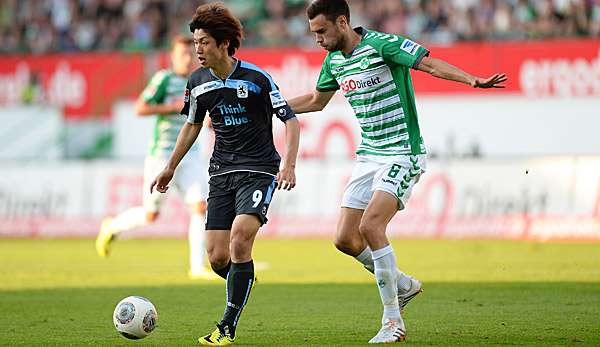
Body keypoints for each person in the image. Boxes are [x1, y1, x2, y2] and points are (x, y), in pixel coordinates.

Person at [287, 0, 507, 343]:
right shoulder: (334, 61)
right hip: (369, 155)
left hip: (403, 152)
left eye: (321, 31)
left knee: (371, 226)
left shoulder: (383, 45)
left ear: (342, 22)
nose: (316, 39)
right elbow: (317, 100)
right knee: (345, 239)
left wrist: (471, 80)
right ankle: (402, 285)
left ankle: (393, 321)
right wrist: (274, 106)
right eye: (313, 32)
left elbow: (429, 64)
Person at [151, 3, 300, 346]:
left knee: (240, 238)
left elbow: (290, 120)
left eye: (203, 42)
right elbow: (190, 126)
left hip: (259, 169)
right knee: (218, 257)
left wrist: (289, 164)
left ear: (223, 44)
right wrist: (170, 166)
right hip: (221, 173)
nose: (197, 49)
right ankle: (242, 280)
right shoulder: (198, 82)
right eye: (194, 42)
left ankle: (226, 328)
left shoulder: (257, 79)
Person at [95, 35, 218, 280]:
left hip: (190, 155)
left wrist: (212, 121)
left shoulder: (201, 81)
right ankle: (112, 226)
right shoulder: (164, 79)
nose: (187, 58)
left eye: (190, 53)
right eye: (182, 54)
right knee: (150, 215)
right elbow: (140, 107)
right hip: (161, 155)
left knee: (200, 206)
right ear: (173, 57)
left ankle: (197, 268)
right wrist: (169, 107)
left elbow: (203, 116)